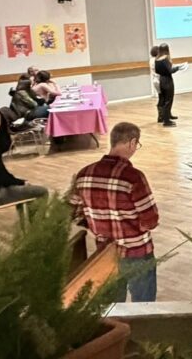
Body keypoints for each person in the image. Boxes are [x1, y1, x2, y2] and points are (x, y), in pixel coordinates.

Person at [70, 122, 159, 302]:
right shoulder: (133, 177)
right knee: (143, 306)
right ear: (132, 143)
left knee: (112, 305)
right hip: (137, 250)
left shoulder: (83, 174)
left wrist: (97, 223)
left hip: (105, 251)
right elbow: (151, 220)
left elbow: (73, 213)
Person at [0, 108, 48, 208]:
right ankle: (37, 223)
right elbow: (2, 178)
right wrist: (21, 182)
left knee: (20, 190)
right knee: (42, 191)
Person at [154, 43, 180, 127]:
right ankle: (166, 121)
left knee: (165, 100)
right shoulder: (165, 59)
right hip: (167, 80)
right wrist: (178, 68)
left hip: (161, 79)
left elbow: (157, 71)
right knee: (169, 100)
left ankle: (167, 116)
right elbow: (170, 70)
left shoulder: (157, 59)